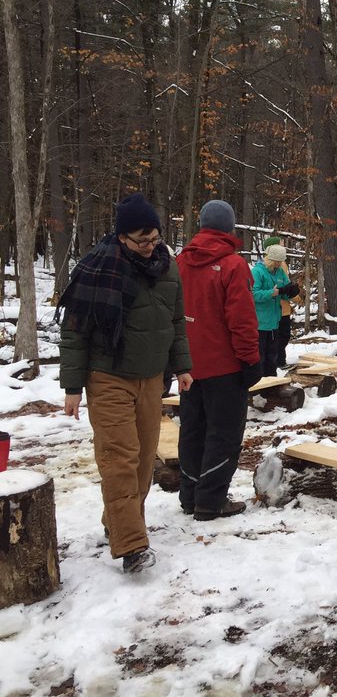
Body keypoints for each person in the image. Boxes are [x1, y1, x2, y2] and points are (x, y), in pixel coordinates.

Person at [58, 193, 192, 573]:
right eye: (141, 241)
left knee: (142, 461)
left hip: (151, 377)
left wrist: (181, 366)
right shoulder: (97, 268)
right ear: (122, 238)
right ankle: (132, 545)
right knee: (119, 460)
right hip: (108, 375)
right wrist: (72, 388)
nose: (150, 248)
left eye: (155, 239)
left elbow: (176, 321)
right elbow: (74, 333)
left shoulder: (168, 266)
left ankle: (116, 521)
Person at [176, 200, 262, 521]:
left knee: (192, 429)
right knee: (223, 433)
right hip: (225, 367)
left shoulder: (180, 261)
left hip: (189, 367)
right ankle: (210, 500)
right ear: (230, 228)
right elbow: (241, 320)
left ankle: (191, 495)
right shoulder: (232, 265)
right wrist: (251, 361)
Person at [251, 243, 290, 378]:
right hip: (260, 323)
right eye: (277, 262)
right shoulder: (257, 272)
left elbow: (284, 289)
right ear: (270, 260)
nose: (279, 265)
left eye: (280, 262)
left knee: (272, 356)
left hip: (274, 321)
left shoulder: (279, 272)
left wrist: (289, 292)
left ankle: (271, 382)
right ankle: (258, 382)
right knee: (260, 356)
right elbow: (253, 294)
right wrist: (271, 293)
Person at [263, 236, 300, 370]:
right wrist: (294, 297)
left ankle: (278, 361)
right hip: (280, 308)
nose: (283, 245)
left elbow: (286, 285)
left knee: (279, 336)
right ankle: (279, 361)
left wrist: (291, 291)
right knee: (281, 336)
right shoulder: (279, 264)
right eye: (281, 243)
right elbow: (282, 285)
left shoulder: (276, 265)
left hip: (280, 307)